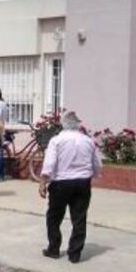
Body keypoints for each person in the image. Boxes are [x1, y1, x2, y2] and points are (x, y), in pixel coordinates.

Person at [39, 111, 102, 263]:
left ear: (63, 124)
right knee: (79, 218)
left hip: (61, 182)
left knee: (54, 217)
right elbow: (97, 164)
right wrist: (92, 176)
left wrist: (43, 181)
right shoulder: (88, 141)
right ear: (78, 124)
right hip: (82, 182)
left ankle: (53, 248)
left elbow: (49, 163)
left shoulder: (56, 140)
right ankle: (75, 253)